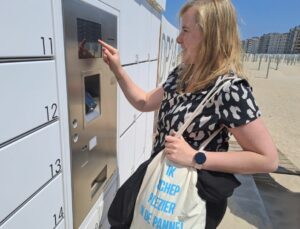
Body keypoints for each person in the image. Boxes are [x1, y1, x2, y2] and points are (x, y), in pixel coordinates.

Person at [99, 0, 278, 228]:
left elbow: (268, 159)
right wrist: (117, 69)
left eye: (185, 30)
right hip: (160, 182)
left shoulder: (231, 90)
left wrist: (195, 156)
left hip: (192, 199)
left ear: (211, 36)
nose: (178, 39)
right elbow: (143, 102)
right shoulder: (181, 74)